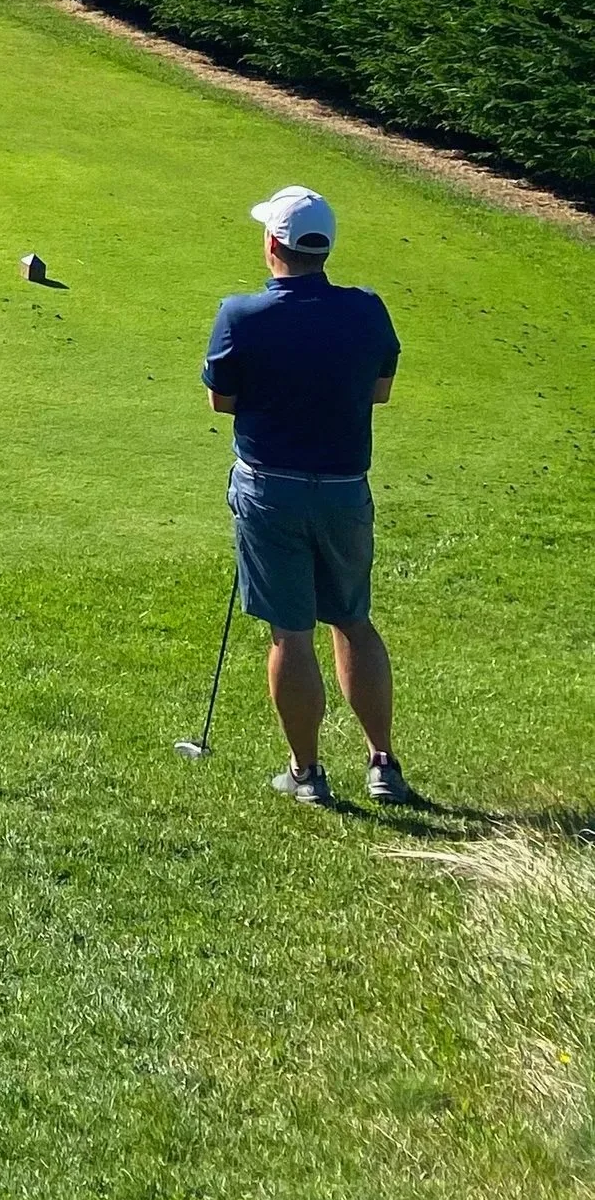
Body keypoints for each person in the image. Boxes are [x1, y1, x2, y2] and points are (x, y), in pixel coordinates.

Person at [202, 185, 414, 807]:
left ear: (273, 243)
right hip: (345, 490)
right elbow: (379, 391)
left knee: (290, 632)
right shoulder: (367, 309)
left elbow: (221, 400)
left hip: (270, 490)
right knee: (352, 619)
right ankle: (382, 764)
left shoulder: (241, 314)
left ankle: (306, 773)